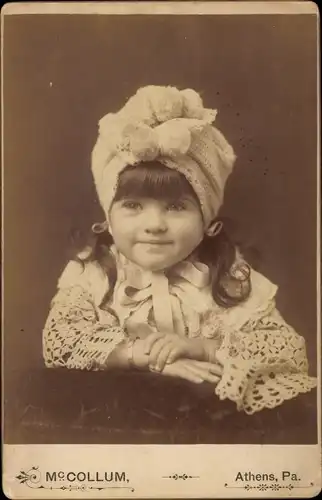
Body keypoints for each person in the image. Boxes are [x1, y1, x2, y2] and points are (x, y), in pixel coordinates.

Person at [43, 85, 317, 414]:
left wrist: (201, 348)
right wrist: (145, 356)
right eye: (132, 205)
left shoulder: (227, 273)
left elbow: (286, 352)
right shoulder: (94, 271)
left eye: (175, 207)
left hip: (207, 421)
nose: (154, 224)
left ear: (208, 223)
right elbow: (64, 338)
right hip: (116, 415)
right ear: (109, 221)